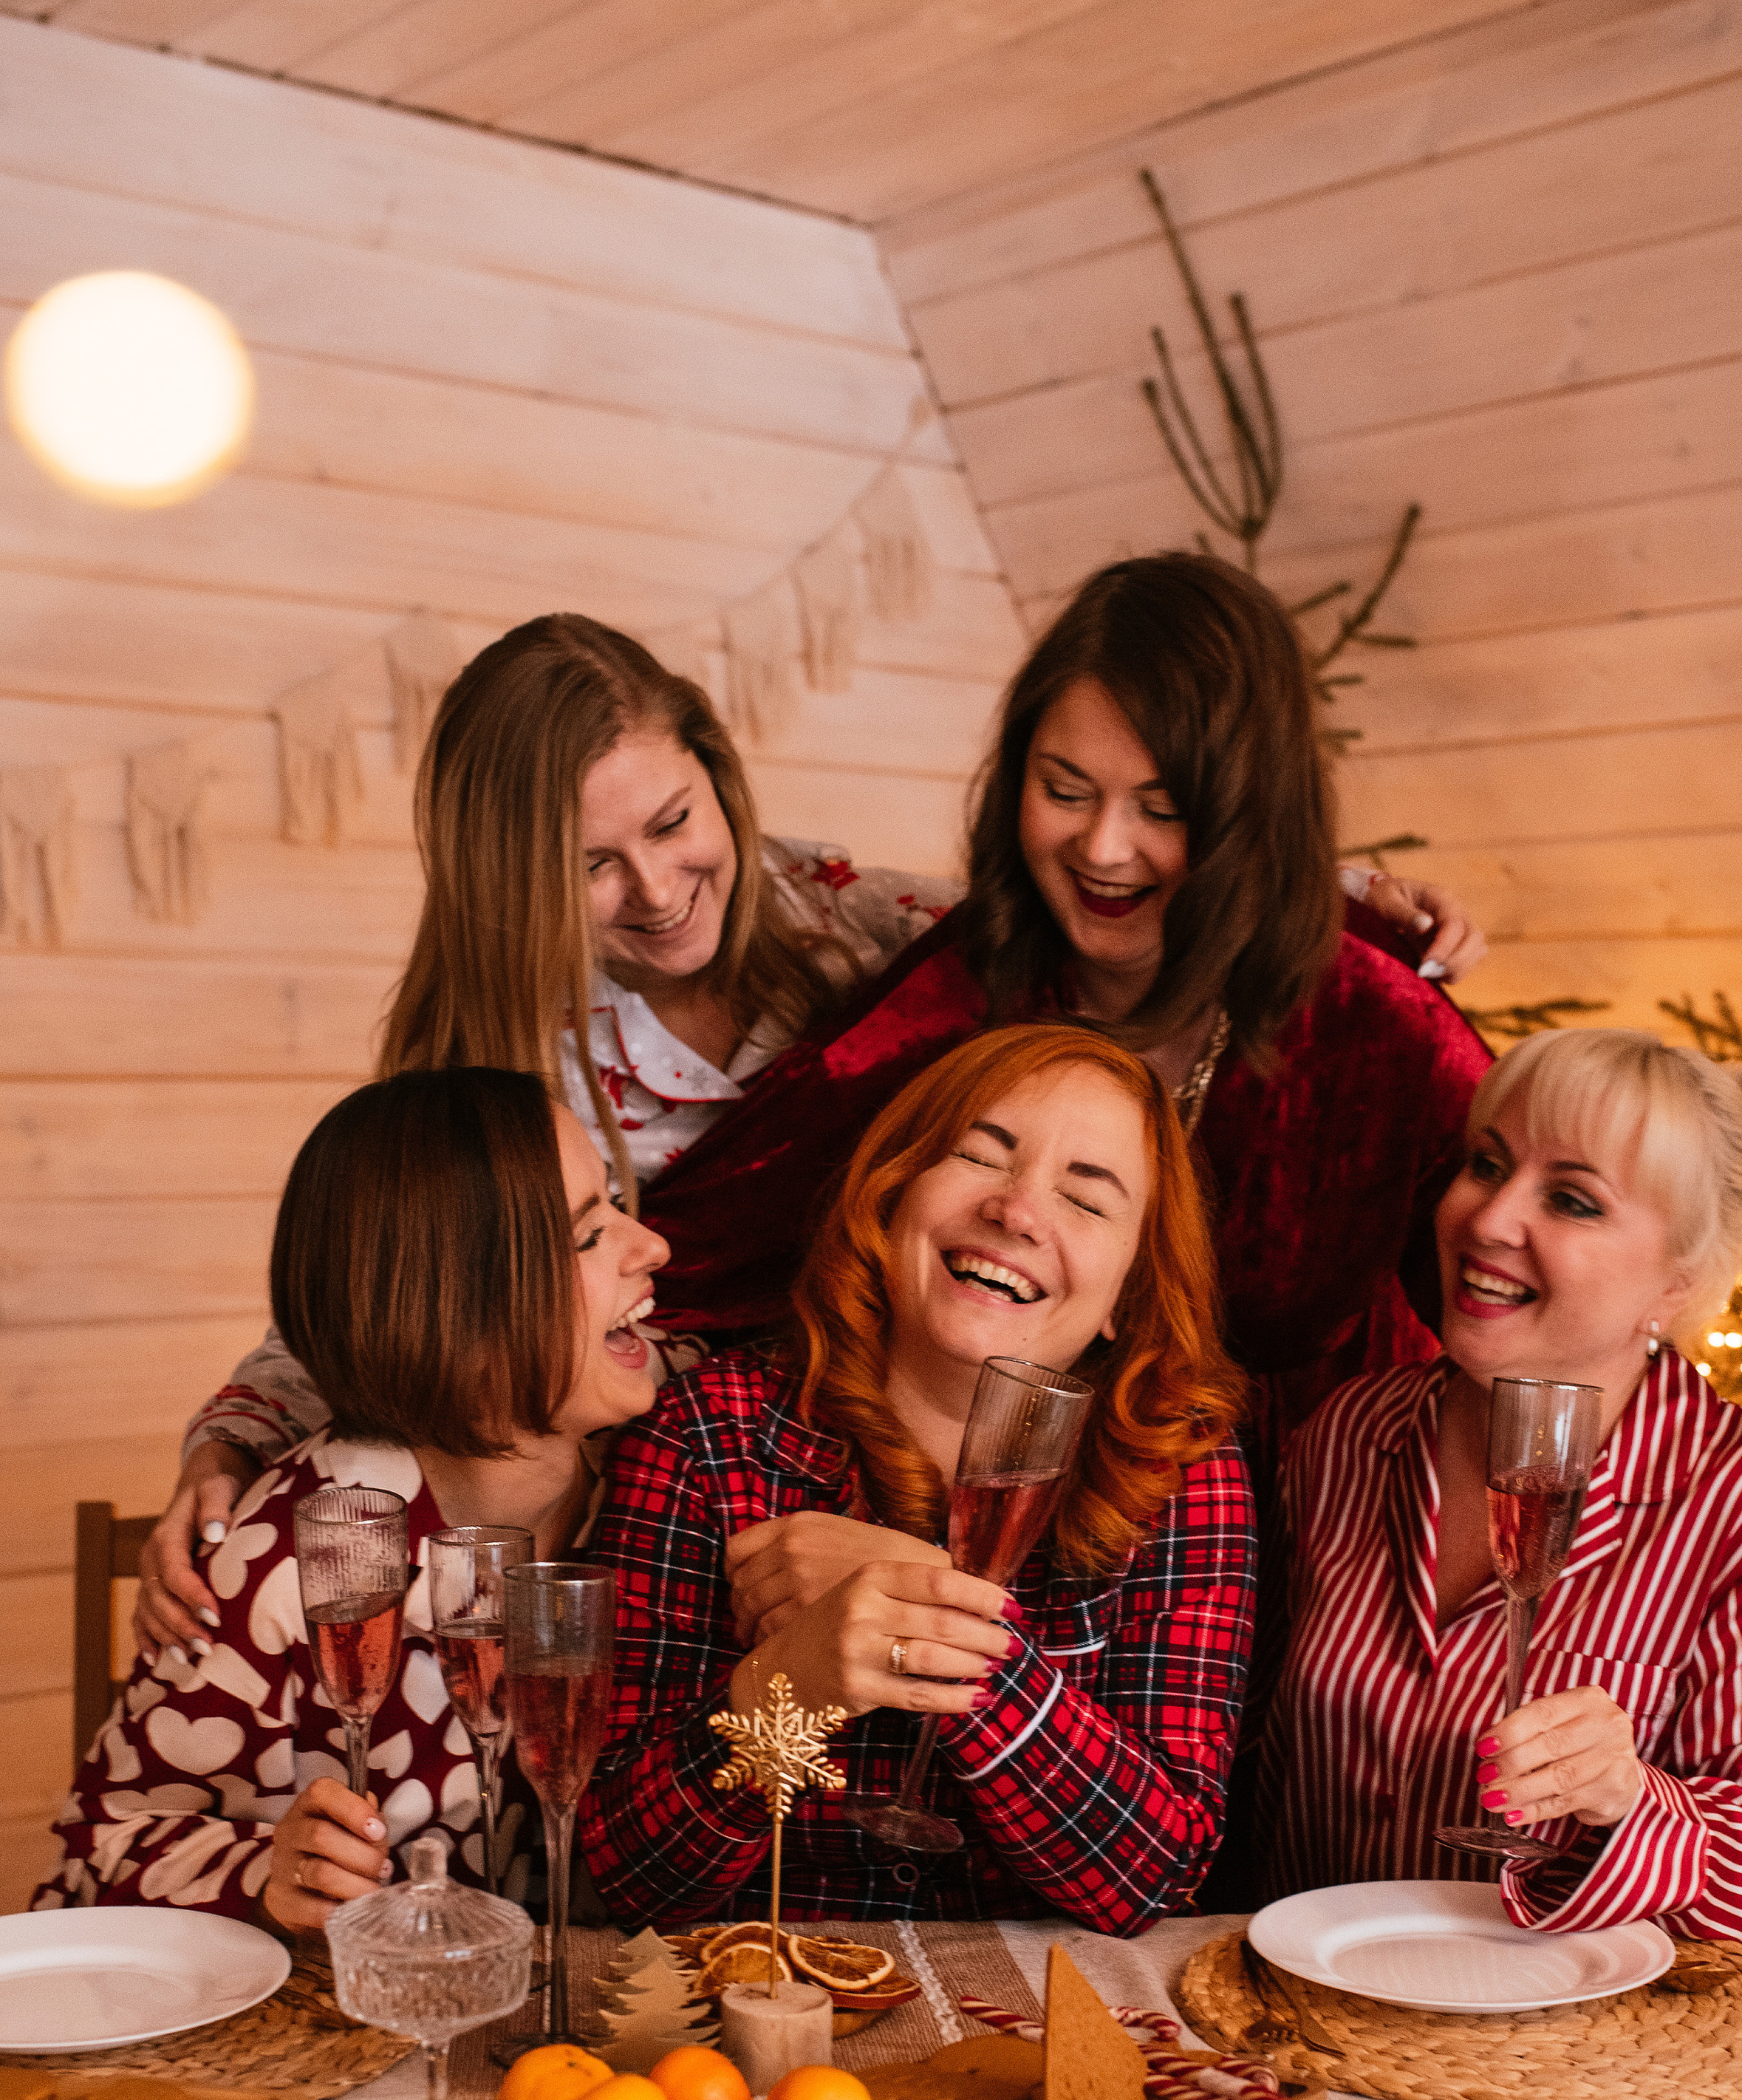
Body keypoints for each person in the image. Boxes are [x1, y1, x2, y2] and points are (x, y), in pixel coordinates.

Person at [134, 587, 1484, 1652]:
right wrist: (236, 1436)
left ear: (720, 776)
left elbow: (1093, 899)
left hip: (933, 1479)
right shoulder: (495, 1053)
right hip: (646, 1515)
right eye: (590, 865)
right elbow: (389, 1289)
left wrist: (1329, 890)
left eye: (674, 822)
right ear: (515, 878)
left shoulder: (861, 929)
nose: (659, 888)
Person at [632, 552, 1492, 1473]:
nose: (1103, 848)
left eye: (1161, 808)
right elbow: (702, 1244)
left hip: (1331, 1534)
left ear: (1249, 817)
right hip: (1006, 1536)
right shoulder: (962, 986)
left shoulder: (1383, 1024)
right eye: (1065, 791)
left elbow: (1548, 1276)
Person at [578, 1023, 1255, 1930]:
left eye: (1087, 1201)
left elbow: (1153, 1877)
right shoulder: (711, 1434)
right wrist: (793, 1681)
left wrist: (928, 1621)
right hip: (754, 2002)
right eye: (981, 1156)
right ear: (892, 1196)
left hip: (1041, 2021)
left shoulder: (1180, 1471)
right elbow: (630, 1874)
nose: (1017, 1211)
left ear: (1125, 1300)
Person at [1254, 1028, 1742, 1943]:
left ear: (1678, 1280)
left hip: (1559, 2059)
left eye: (1571, 1200)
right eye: (1486, 1165)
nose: (1489, 1220)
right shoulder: (1344, 1437)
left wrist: (1627, 1797)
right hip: (1302, 2023)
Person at [38, 1069, 666, 1927]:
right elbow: (102, 1848)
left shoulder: (687, 1471)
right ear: (455, 1314)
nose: (654, 1247)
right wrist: (268, 1871)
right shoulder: (294, 1555)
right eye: (590, 1236)